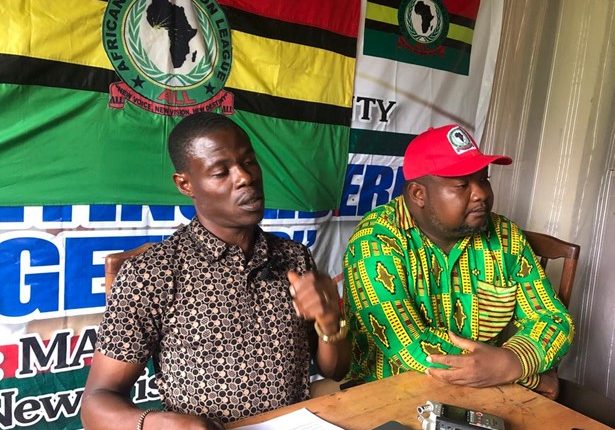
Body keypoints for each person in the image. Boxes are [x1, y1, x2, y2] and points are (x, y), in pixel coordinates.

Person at [81, 112, 350, 430]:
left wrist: (329, 321)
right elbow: (96, 403)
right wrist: (165, 425)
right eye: (221, 172)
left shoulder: (294, 258)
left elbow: (335, 369)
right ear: (185, 184)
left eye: (249, 162)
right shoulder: (153, 274)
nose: (245, 177)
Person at [343, 124, 574, 398]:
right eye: (462, 185)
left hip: (486, 396)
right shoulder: (375, 240)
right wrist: (526, 377)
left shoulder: (505, 236)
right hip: (387, 394)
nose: (481, 194)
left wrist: (513, 362)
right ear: (418, 194)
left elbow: (553, 319)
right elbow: (410, 345)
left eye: (484, 179)